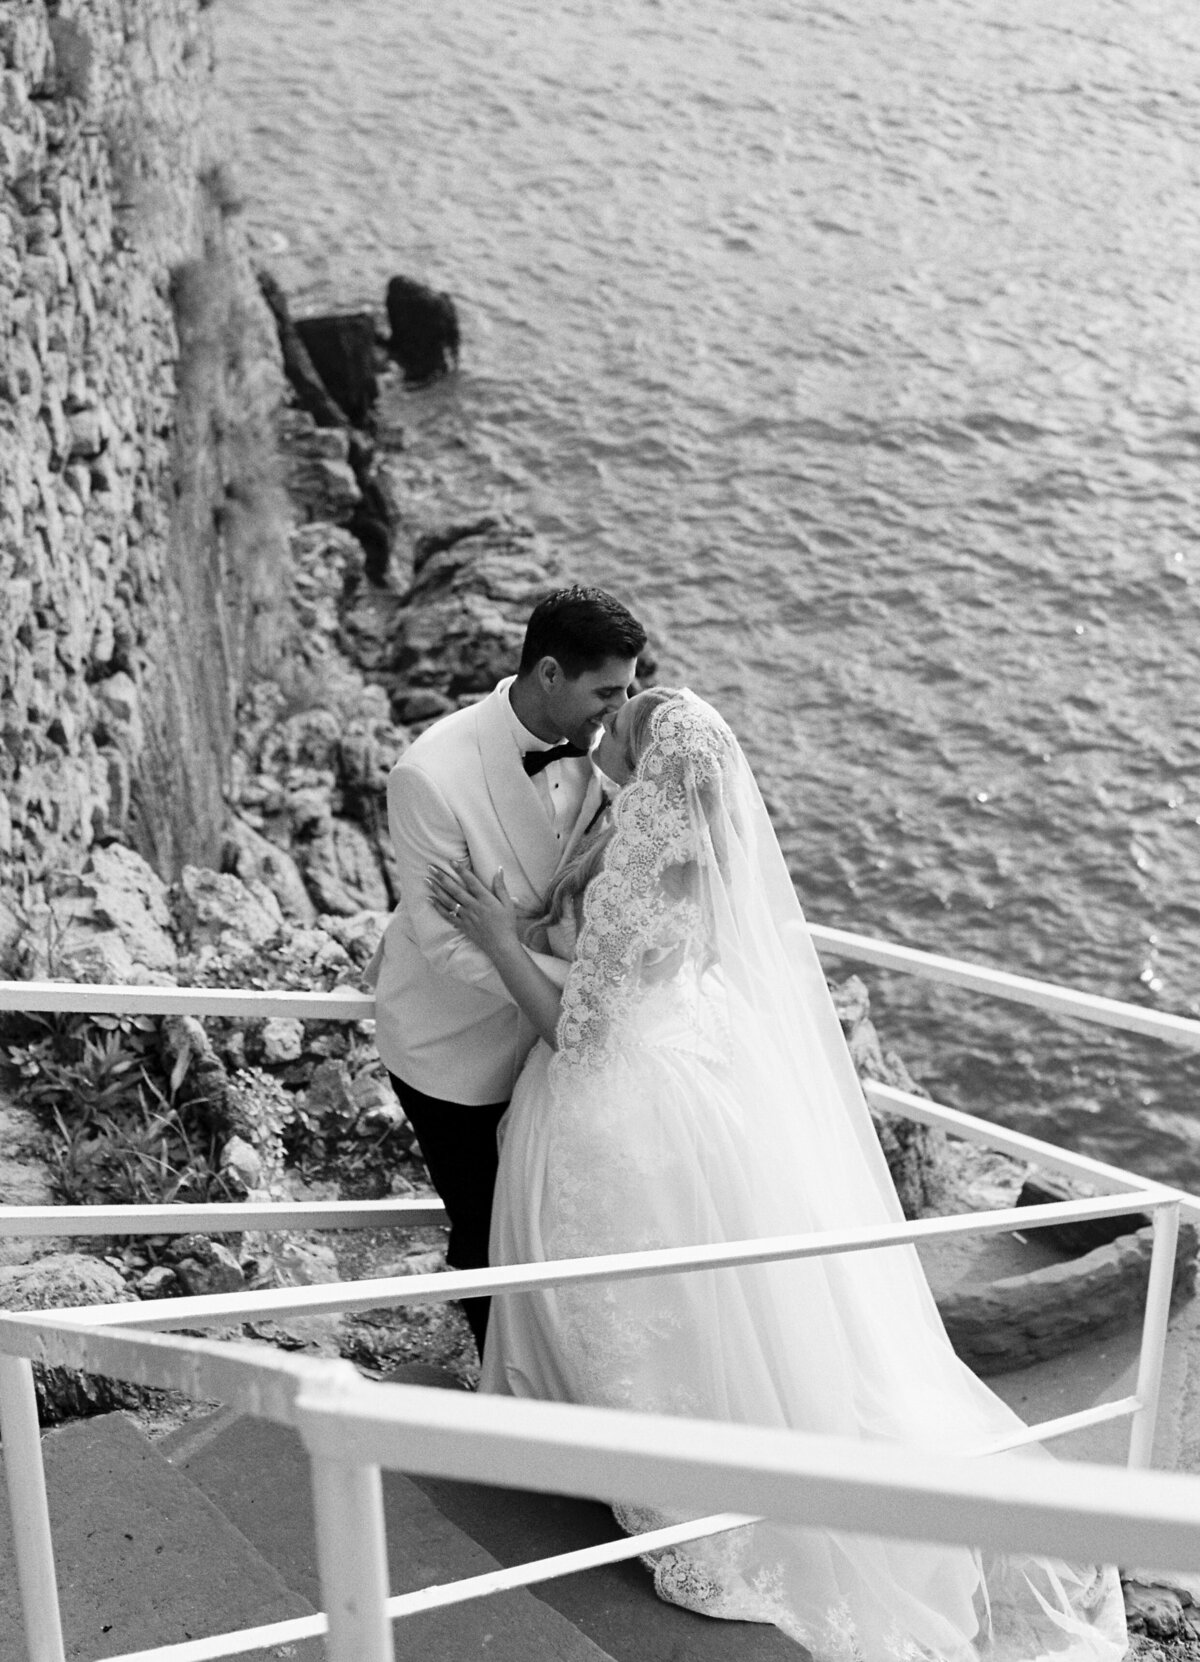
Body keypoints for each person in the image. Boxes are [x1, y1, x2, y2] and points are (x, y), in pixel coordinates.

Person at [429, 687, 1128, 1662]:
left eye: (624, 727)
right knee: (687, 1302)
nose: (609, 726)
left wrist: (495, 936)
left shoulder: (651, 856)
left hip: (616, 1085)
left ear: (654, 769)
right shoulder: (679, 839)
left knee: (634, 1292)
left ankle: (678, 1475)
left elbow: (579, 1033)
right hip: (678, 1055)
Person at [365, 586, 647, 1354]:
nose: (623, 707)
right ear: (549, 673)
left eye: (628, 687)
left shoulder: (613, 752)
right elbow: (445, 941)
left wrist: (572, 971)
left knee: (550, 1225)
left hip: (556, 1050)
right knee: (486, 1236)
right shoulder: (429, 775)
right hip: (453, 1048)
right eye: (608, 691)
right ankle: (504, 1393)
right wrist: (573, 981)